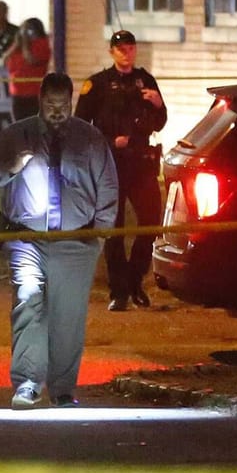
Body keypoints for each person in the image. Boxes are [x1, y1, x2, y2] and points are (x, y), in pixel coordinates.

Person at [0, 71, 119, 409]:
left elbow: (108, 187)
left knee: (68, 318)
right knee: (28, 301)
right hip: (27, 239)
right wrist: (14, 164)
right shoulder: (16, 135)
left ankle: (63, 389)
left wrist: (97, 236)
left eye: (63, 104)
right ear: (40, 100)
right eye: (50, 104)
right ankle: (27, 382)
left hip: (76, 240)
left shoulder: (89, 139)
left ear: (71, 102)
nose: (57, 111)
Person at [73, 29, 168, 311]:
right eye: (120, 48)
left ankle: (134, 280)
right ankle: (120, 292)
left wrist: (158, 103)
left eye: (130, 48)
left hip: (141, 163)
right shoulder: (98, 84)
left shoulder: (145, 80)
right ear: (111, 52)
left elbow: (160, 121)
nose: (126, 52)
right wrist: (109, 141)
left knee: (150, 222)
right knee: (114, 229)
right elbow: (80, 126)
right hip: (111, 164)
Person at [3, 17, 52, 121]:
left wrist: (25, 43)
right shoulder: (18, 47)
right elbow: (5, 59)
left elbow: (31, 60)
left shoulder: (42, 43)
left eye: (27, 30)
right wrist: (16, 44)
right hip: (17, 94)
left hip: (34, 94)